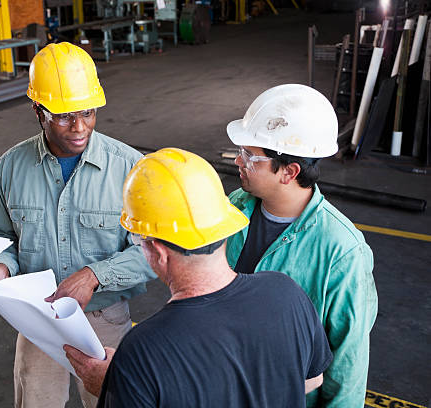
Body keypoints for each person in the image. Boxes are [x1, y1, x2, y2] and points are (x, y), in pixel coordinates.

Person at [64, 148, 333, 408]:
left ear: (158, 251)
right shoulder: (286, 294)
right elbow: (312, 379)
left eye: (138, 241)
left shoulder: (145, 349)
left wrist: (114, 386)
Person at [0, 42, 155, 408]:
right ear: (38, 111)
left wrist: (94, 275)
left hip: (104, 318)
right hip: (38, 319)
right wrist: (1, 264)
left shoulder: (129, 168)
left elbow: (152, 253)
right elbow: (1, 235)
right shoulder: (10, 167)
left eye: (88, 113)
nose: (79, 128)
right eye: (63, 117)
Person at [224, 84, 378, 407]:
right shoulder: (231, 210)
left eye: (250, 156)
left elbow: (347, 368)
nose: (239, 161)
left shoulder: (342, 251)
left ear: (289, 171)